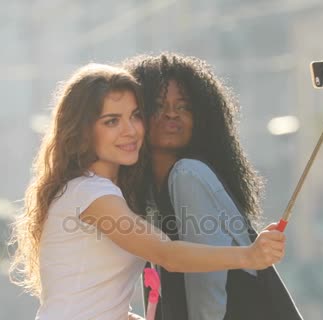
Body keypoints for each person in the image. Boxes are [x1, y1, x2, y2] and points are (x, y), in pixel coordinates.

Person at [8, 63, 287, 320]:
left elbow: (104, 306)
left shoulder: (101, 192)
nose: (130, 131)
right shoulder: (90, 193)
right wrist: (248, 256)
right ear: (82, 131)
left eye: (135, 116)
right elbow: (167, 254)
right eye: (111, 121)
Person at [123, 53, 302, 320]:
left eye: (184, 107)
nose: (172, 113)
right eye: (159, 105)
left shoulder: (187, 175)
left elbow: (207, 286)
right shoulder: (150, 192)